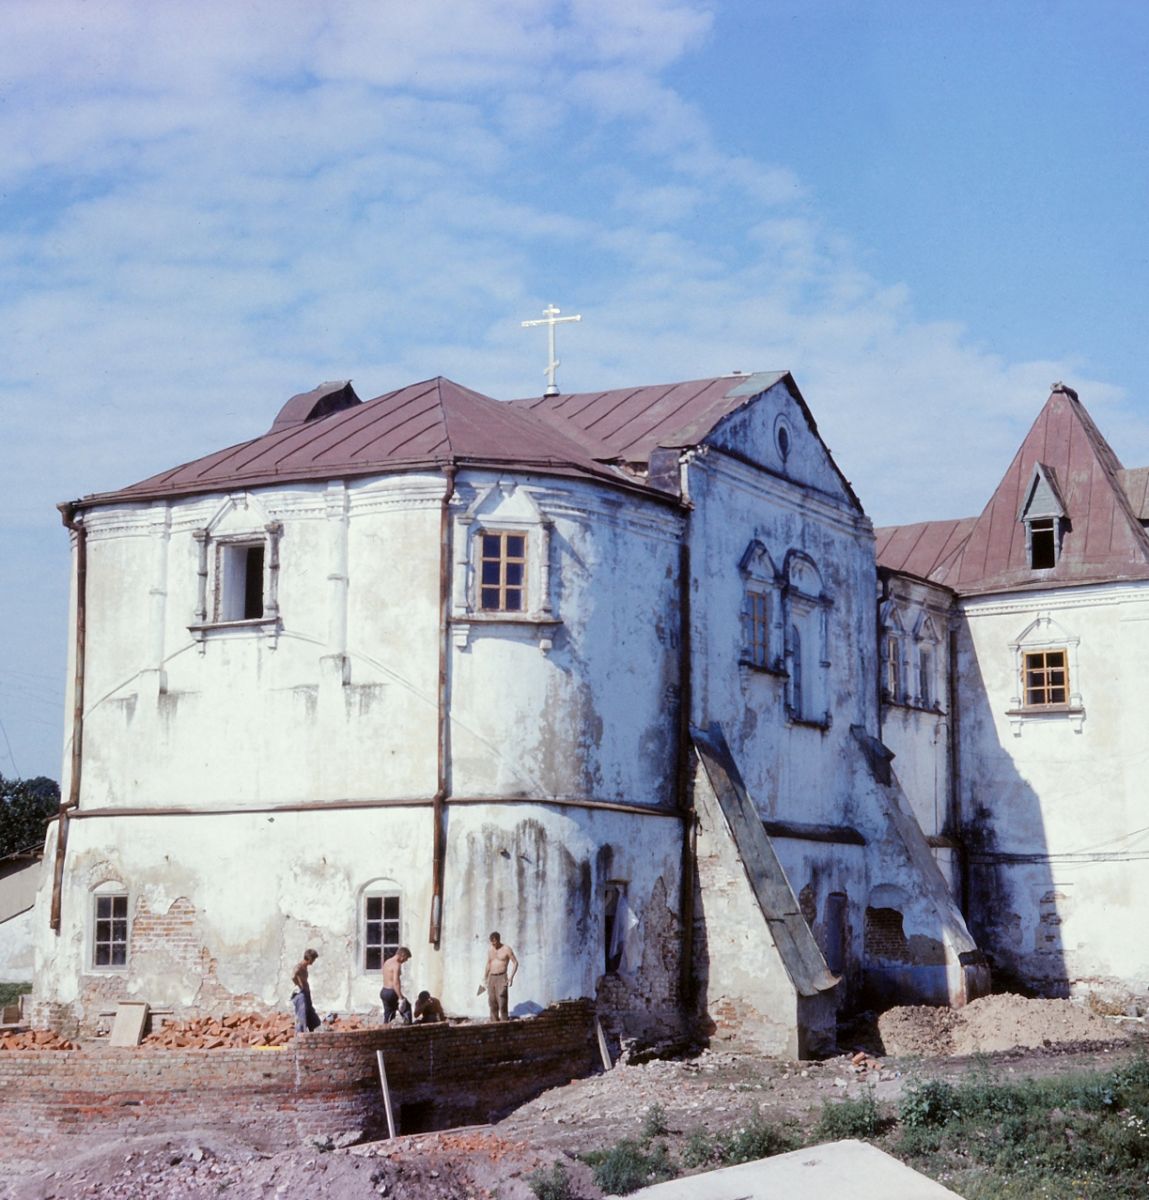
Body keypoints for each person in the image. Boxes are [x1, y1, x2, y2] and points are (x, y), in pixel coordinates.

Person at [485, 931, 518, 1022]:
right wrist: (485, 977)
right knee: (492, 1002)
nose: (493, 944)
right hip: (491, 977)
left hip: (502, 977)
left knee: (502, 1002)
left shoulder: (506, 949)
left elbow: (515, 963)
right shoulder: (490, 950)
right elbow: (488, 963)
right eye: (492, 942)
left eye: (495, 942)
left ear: (499, 940)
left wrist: (511, 977)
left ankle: (504, 1023)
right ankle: (494, 1024)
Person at [291, 948, 321, 1033]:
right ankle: (300, 1037)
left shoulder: (305, 967)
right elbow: (293, 976)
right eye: (313, 959)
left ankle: (312, 1033)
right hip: (301, 994)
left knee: (311, 1015)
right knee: (302, 1015)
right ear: (309, 958)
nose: (313, 961)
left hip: (306, 993)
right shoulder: (299, 966)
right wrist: (299, 985)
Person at [380, 946, 412, 1024]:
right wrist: (400, 998)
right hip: (392, 992)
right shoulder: (396, 965)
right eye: (406, 958)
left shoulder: (387, 961)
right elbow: (395, 983)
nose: (405, 961)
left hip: (384, 991)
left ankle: (386, 1031)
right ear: (402, 955)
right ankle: (409, 1030)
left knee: (389, 1014)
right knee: (406, 1008)